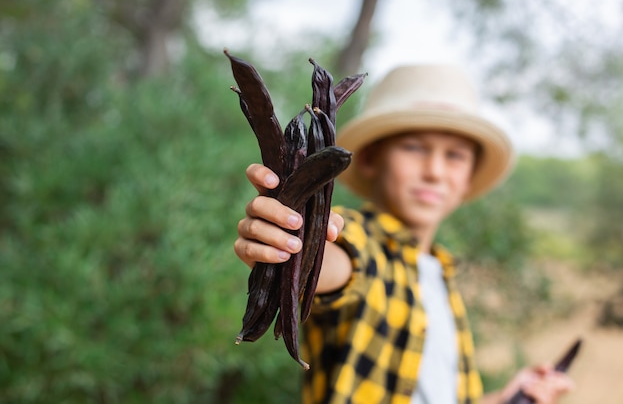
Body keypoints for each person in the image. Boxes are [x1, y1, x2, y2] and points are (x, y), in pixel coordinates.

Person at [234, 64, 574, 404]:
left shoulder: (441, 274)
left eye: (454, 155)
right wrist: (289, 240)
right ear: (369, 159)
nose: (434, 171)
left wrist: (504, 398)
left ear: (469, 176)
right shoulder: (356, 239)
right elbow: (330, 261)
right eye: (414, 148)